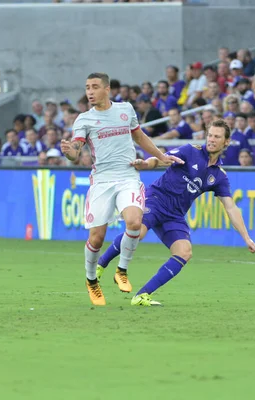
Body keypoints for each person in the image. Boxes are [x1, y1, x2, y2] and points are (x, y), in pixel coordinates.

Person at [97, 119, 255, 306]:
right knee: (137, 232)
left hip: (174, 215)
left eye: (217, 137)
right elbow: (160, 159)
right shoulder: (191, 150)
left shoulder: (219, 176)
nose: (212, 139)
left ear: (226, 142)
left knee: (184, 252)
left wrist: (246, 238)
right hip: (156, 199)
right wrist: (145, 164)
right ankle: (100, 265)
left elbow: (230, 207)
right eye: (210, 135)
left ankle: (141, 296)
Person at [60, 72, 182, 306]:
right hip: (102, 181)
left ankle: (121, 270)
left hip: (127, 176)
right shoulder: (84, 119)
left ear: (107, 89)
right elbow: (75, 152)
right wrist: (69, 152)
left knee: (135, 222)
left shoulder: (125, 110)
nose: (90, 92)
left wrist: (160, 156)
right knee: (97, 238)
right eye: (87, 87)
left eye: (95, 87)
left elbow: (140, 137)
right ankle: (91, 279)